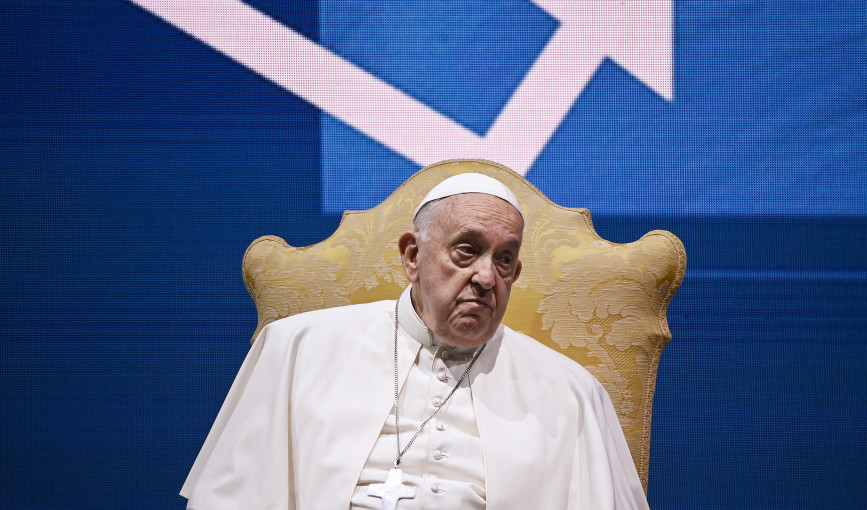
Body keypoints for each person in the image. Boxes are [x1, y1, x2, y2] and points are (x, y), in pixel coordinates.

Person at [181, 173, 649, 509]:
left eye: (504, 260)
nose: (486, 277)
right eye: (467, 250)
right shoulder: (297, 348)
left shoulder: (570, 392)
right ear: (412, 256)